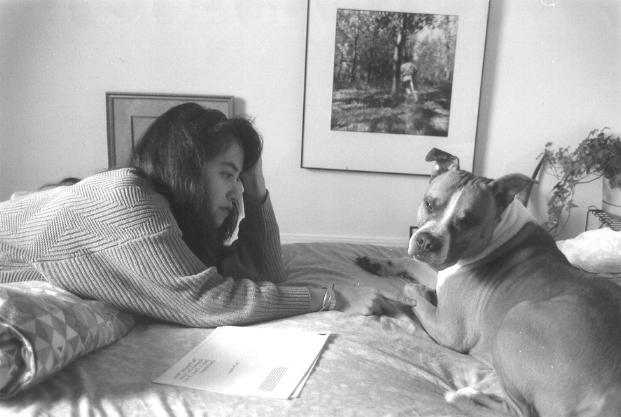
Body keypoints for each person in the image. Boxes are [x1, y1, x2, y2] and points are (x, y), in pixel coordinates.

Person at [0, 103, 385, 327]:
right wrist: (331, 297)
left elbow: (267, 274)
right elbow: (207, 301)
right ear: (187, 166)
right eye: (227, 174)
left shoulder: (176, 225)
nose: (236, 192)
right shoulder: (129, 196)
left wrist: (255, 184)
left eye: (238, 178)